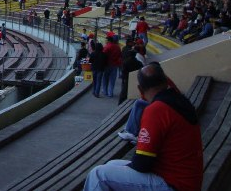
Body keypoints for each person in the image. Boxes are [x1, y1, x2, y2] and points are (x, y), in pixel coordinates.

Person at [85, 63, 202, 191]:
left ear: (140, 90)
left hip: (174, 185)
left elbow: (142, 163)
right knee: (112, 164)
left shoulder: (156, 110)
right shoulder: (178, 99)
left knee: (98, 174)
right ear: (165, 80)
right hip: (185, 180)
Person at [102, 32, 122, 98]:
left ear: (108, 40)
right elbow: (120, 56)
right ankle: (110, 93)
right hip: (115, 65)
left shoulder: (106, 47)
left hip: (107, 65)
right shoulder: (117, 47)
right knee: (112, 80)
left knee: (105, 79)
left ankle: (105, 91)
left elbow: (103, 55)